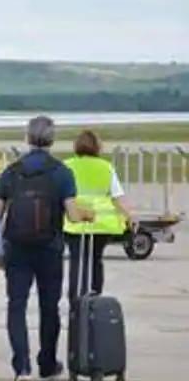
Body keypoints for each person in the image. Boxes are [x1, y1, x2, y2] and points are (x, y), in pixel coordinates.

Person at [0, 116, 93, 381]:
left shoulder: (12, 172)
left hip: (16, 247)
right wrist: (86, 215)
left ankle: (21, 365)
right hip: (49, 248)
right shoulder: (61, 172)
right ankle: (47, 364)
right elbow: (72, 215)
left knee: (16, 305)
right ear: (52, 139)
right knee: (49, 307)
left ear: (27, 138)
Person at [64, 130, 134, 305]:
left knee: (77, 261)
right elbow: (118, 196)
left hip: (75, 223)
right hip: (101, 224)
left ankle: (75, 300)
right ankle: (94, 298)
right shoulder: (106, 167)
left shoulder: (67, 166)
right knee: (95, 260)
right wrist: (131, 216)